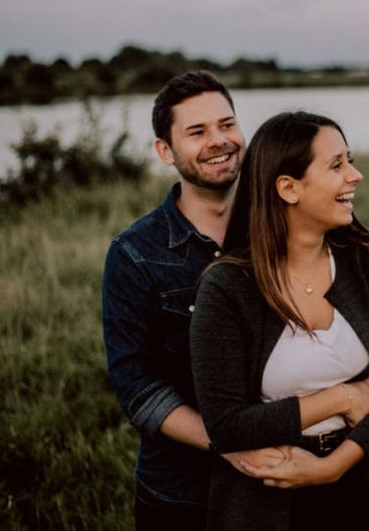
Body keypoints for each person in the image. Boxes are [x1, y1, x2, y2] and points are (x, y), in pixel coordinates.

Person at [189, 111, 369, 530]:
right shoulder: (227, 288)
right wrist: (343, 399)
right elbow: (226, 426)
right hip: (268, 500)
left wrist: (331, 466)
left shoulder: (365, 259)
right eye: (337, 165)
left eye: (349, 160)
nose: (356, 176)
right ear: (288, 188)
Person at [102, 71, 287, 530]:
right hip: (183, 494)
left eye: (227, 124)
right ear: (165, 151)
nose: (219, 141)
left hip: (287, 480)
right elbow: (136, 386)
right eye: (197, 132)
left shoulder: (285, 229)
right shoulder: (135, 254)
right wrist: (230, 442)